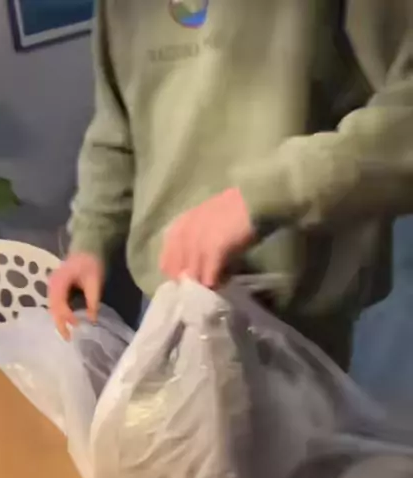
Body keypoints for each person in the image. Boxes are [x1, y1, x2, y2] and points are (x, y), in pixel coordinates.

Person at [49, 0, 413, 367]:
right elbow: (117, 126)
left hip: (301, 313)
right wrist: (90, 241)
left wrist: (266, 195)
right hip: (169, 302)